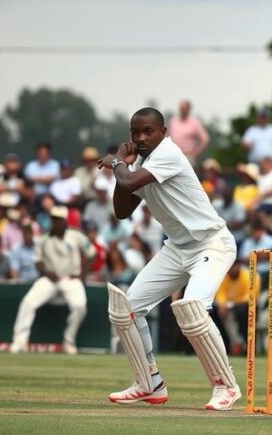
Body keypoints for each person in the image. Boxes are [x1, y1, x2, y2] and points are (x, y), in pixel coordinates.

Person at [96, 107, 240, 410]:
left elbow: (130, 182)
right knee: (127, 310)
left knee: (194, 309)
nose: (142, 137)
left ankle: (226, 386)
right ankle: (149, 383)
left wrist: (119, 163)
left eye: (149, 131)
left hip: (212, 244)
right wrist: (123, 167)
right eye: (136, 132)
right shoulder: (141, 164)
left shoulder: (169, 154)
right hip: (177, 248)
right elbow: (122, 210)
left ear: (164, 132)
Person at [9, 206, 94, 355]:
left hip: (71, 279)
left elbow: (92, 253)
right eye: (53, 219)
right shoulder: (43, 237)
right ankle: (19, 342)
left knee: (80, 306)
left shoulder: (76, 235)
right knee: (28, 302)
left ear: (64, 221)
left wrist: (81, 275)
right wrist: (47, 272)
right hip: (49, 279)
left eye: (58, 219)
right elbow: (38, 261)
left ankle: (68, 341)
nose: (55, 222)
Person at [214, 260, 258, 355]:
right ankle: (227, 346)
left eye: (233, 267)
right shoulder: (224, 277)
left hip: (248, 307)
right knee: (215, 311)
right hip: (229, 308)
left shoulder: (248, 276)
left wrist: (230, 304)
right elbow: (221, 295)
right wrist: (223, 305)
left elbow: (250, 296)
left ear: (239, 266)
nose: (231, 269)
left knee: (242, 311)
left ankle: (245, 344)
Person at [168, 99, 210, 163]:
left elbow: (205, 140)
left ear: (188, 109)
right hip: (173, 156)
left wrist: (195, 154)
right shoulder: (173, 121)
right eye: (181, 108)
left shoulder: (195, 122)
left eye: (184, 108)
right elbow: (167, 137)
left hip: (188, 156)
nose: (182, 110)